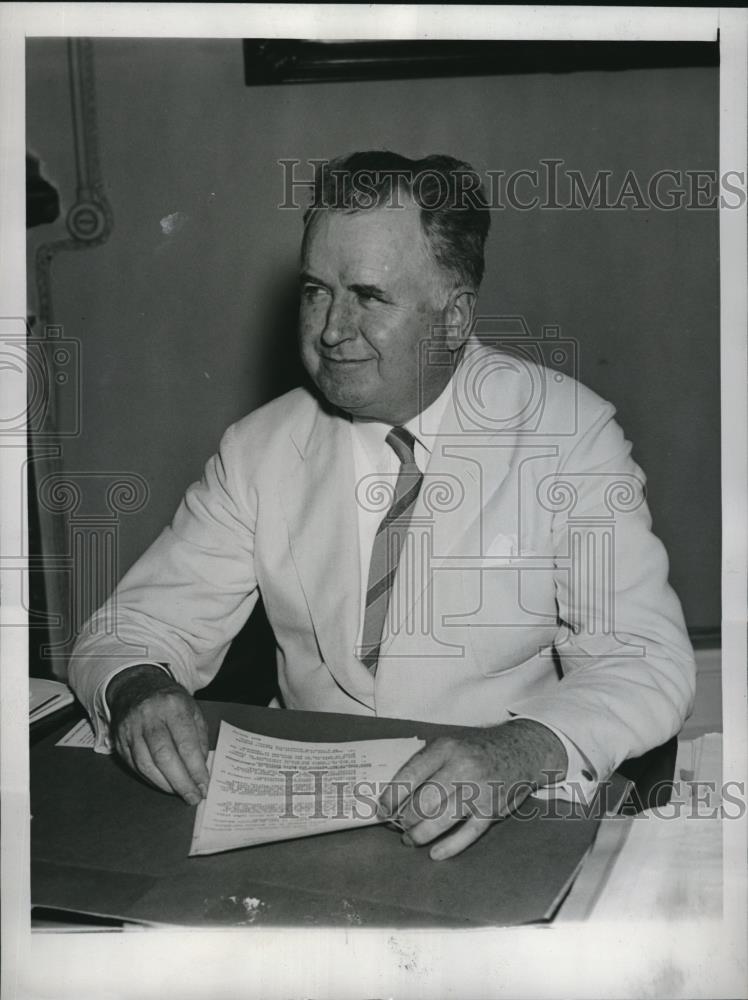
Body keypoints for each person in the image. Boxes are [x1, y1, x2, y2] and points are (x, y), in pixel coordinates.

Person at [69, 151, 696, 860]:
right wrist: (138, 690)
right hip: (300, 824)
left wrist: (526, 750)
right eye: (315, 291)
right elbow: (131, 630)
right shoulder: (259, 448)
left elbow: (644, 658)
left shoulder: (567, 433)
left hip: (499, 818)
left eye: (368, 295)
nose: (332, 329)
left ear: (455, 317)